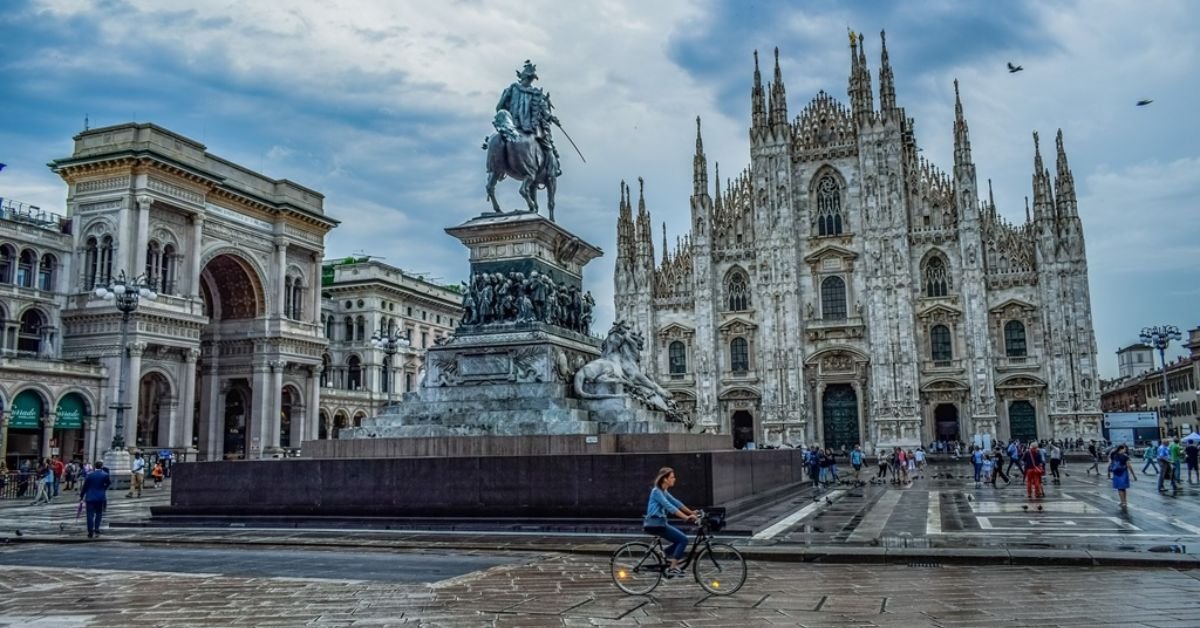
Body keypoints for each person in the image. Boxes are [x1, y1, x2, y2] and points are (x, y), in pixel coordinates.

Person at [643, 467, 697, 578]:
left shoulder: (663, 491)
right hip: (656, 523)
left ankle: (660, 554)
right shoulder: (656, 492)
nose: (674, 479)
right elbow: (670, 507)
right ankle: (672, 568)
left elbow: (676, 503)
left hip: (661, 523)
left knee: (679, 540)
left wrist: (691, 512)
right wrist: (685, 517)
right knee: (683, 540)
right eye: (672, 477)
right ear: (665, 479)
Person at [79, 460, 112, 539]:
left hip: (90, 497)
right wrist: (103, 489)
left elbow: (85, 486)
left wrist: (81, 496)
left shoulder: (90, 475)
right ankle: (96, 528)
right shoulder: (105, 475)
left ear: (95, 466)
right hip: (100, 497)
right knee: (99, 513)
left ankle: (90, 530)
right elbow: (108, 483)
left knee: (89, 515)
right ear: (101, 466)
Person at [1109, 444, 1135, 509]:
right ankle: (1124, 502)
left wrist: (1109, 472)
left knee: (1120, 488)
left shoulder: (1114, 455)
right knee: (1123, 488)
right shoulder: (1125, 456)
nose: (1125, 450)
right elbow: (1129, 466)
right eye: (1124, 449)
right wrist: (1133, 474)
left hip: (1117, 473)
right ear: (1121, 449)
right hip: (1123, 473)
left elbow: (1111, 464)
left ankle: (1122, 501)